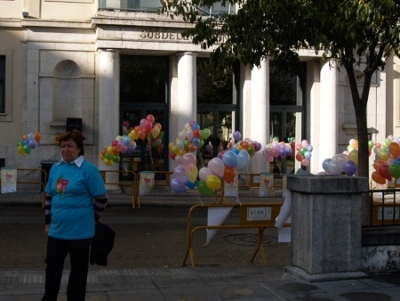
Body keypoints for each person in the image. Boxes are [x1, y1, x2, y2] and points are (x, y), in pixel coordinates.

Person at [42, 130, 108, 301]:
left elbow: (101, 197)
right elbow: (50, 196)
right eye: (62, 146)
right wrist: (48, 222)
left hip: (80, 232)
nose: (65, 149)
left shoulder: (88, 170)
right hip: (57, 230)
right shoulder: (56, 169)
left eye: (70, 146)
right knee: (52, 268)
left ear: (79, 148)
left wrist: (93, 218)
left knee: (78, 271)